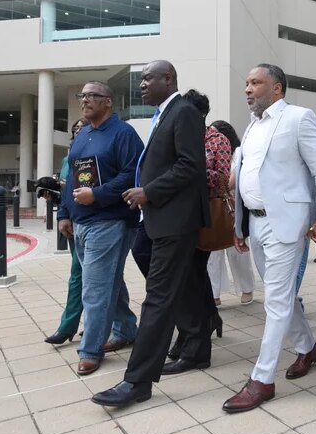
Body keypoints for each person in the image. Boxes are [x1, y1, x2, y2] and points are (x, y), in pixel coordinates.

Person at [91, 60, 210, 406]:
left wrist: (149, 191)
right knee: (188, 285)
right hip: (162, 217)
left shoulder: (183, 111)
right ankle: (198, 349)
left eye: (147, 78)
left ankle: (137, 381)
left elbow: (190, 165)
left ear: (168, 78)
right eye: (141, 79)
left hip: (176, 220)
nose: (141, 84)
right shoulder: (164, 113)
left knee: (157, 298)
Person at [222, 63, 316, 413]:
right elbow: (246, 178)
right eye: (246, 83)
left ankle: (262, 379)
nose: (248, 89)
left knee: (276, 298)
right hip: (255, 224)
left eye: (255, 82)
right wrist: (240, 225)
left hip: (287, 222)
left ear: (278, 88)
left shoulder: (299, 118)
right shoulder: (252, 127)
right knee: (282, 294)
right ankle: (308, 347)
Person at [58, 82, 143, 376]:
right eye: (82, 96)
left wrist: (99, 194)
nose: (84, 101)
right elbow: (71, 179)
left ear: (108, 102)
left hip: (110, 221)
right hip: (80, 222)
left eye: (91, 96)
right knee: (109, 282)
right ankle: (126, 329)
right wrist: (64, 212)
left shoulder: (124, 134)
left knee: (94, 288)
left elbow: (133, 174)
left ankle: (90, 349)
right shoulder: (82, 135)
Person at [163, 89, 227, 368]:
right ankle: (203, 323)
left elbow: (224, 178)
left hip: (205, 214)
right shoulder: (177, 134)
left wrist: (192, 169)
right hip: (178, 213)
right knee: (191, 277)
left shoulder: (217, 140)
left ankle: (195, 336)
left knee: (192, 275)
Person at [45, 118, 86, 345]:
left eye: (83, 127)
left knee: (84, 275)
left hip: (94, 220)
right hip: (72, 220)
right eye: (75, 129)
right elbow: (65, 188)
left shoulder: (97, 150)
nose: (78, 130)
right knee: (80, 274)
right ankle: (73, 325)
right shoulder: (67, 158)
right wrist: (61, 213)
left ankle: (72, 326)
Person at [206, 119, 255, 307]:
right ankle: (214, 293)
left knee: (238, 251)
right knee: (213, 253)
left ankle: (247, 288)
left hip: (234, 207)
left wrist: (215, 182)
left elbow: (230, 181)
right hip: (214, 206)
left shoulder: (238, 154)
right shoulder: (209, 150)